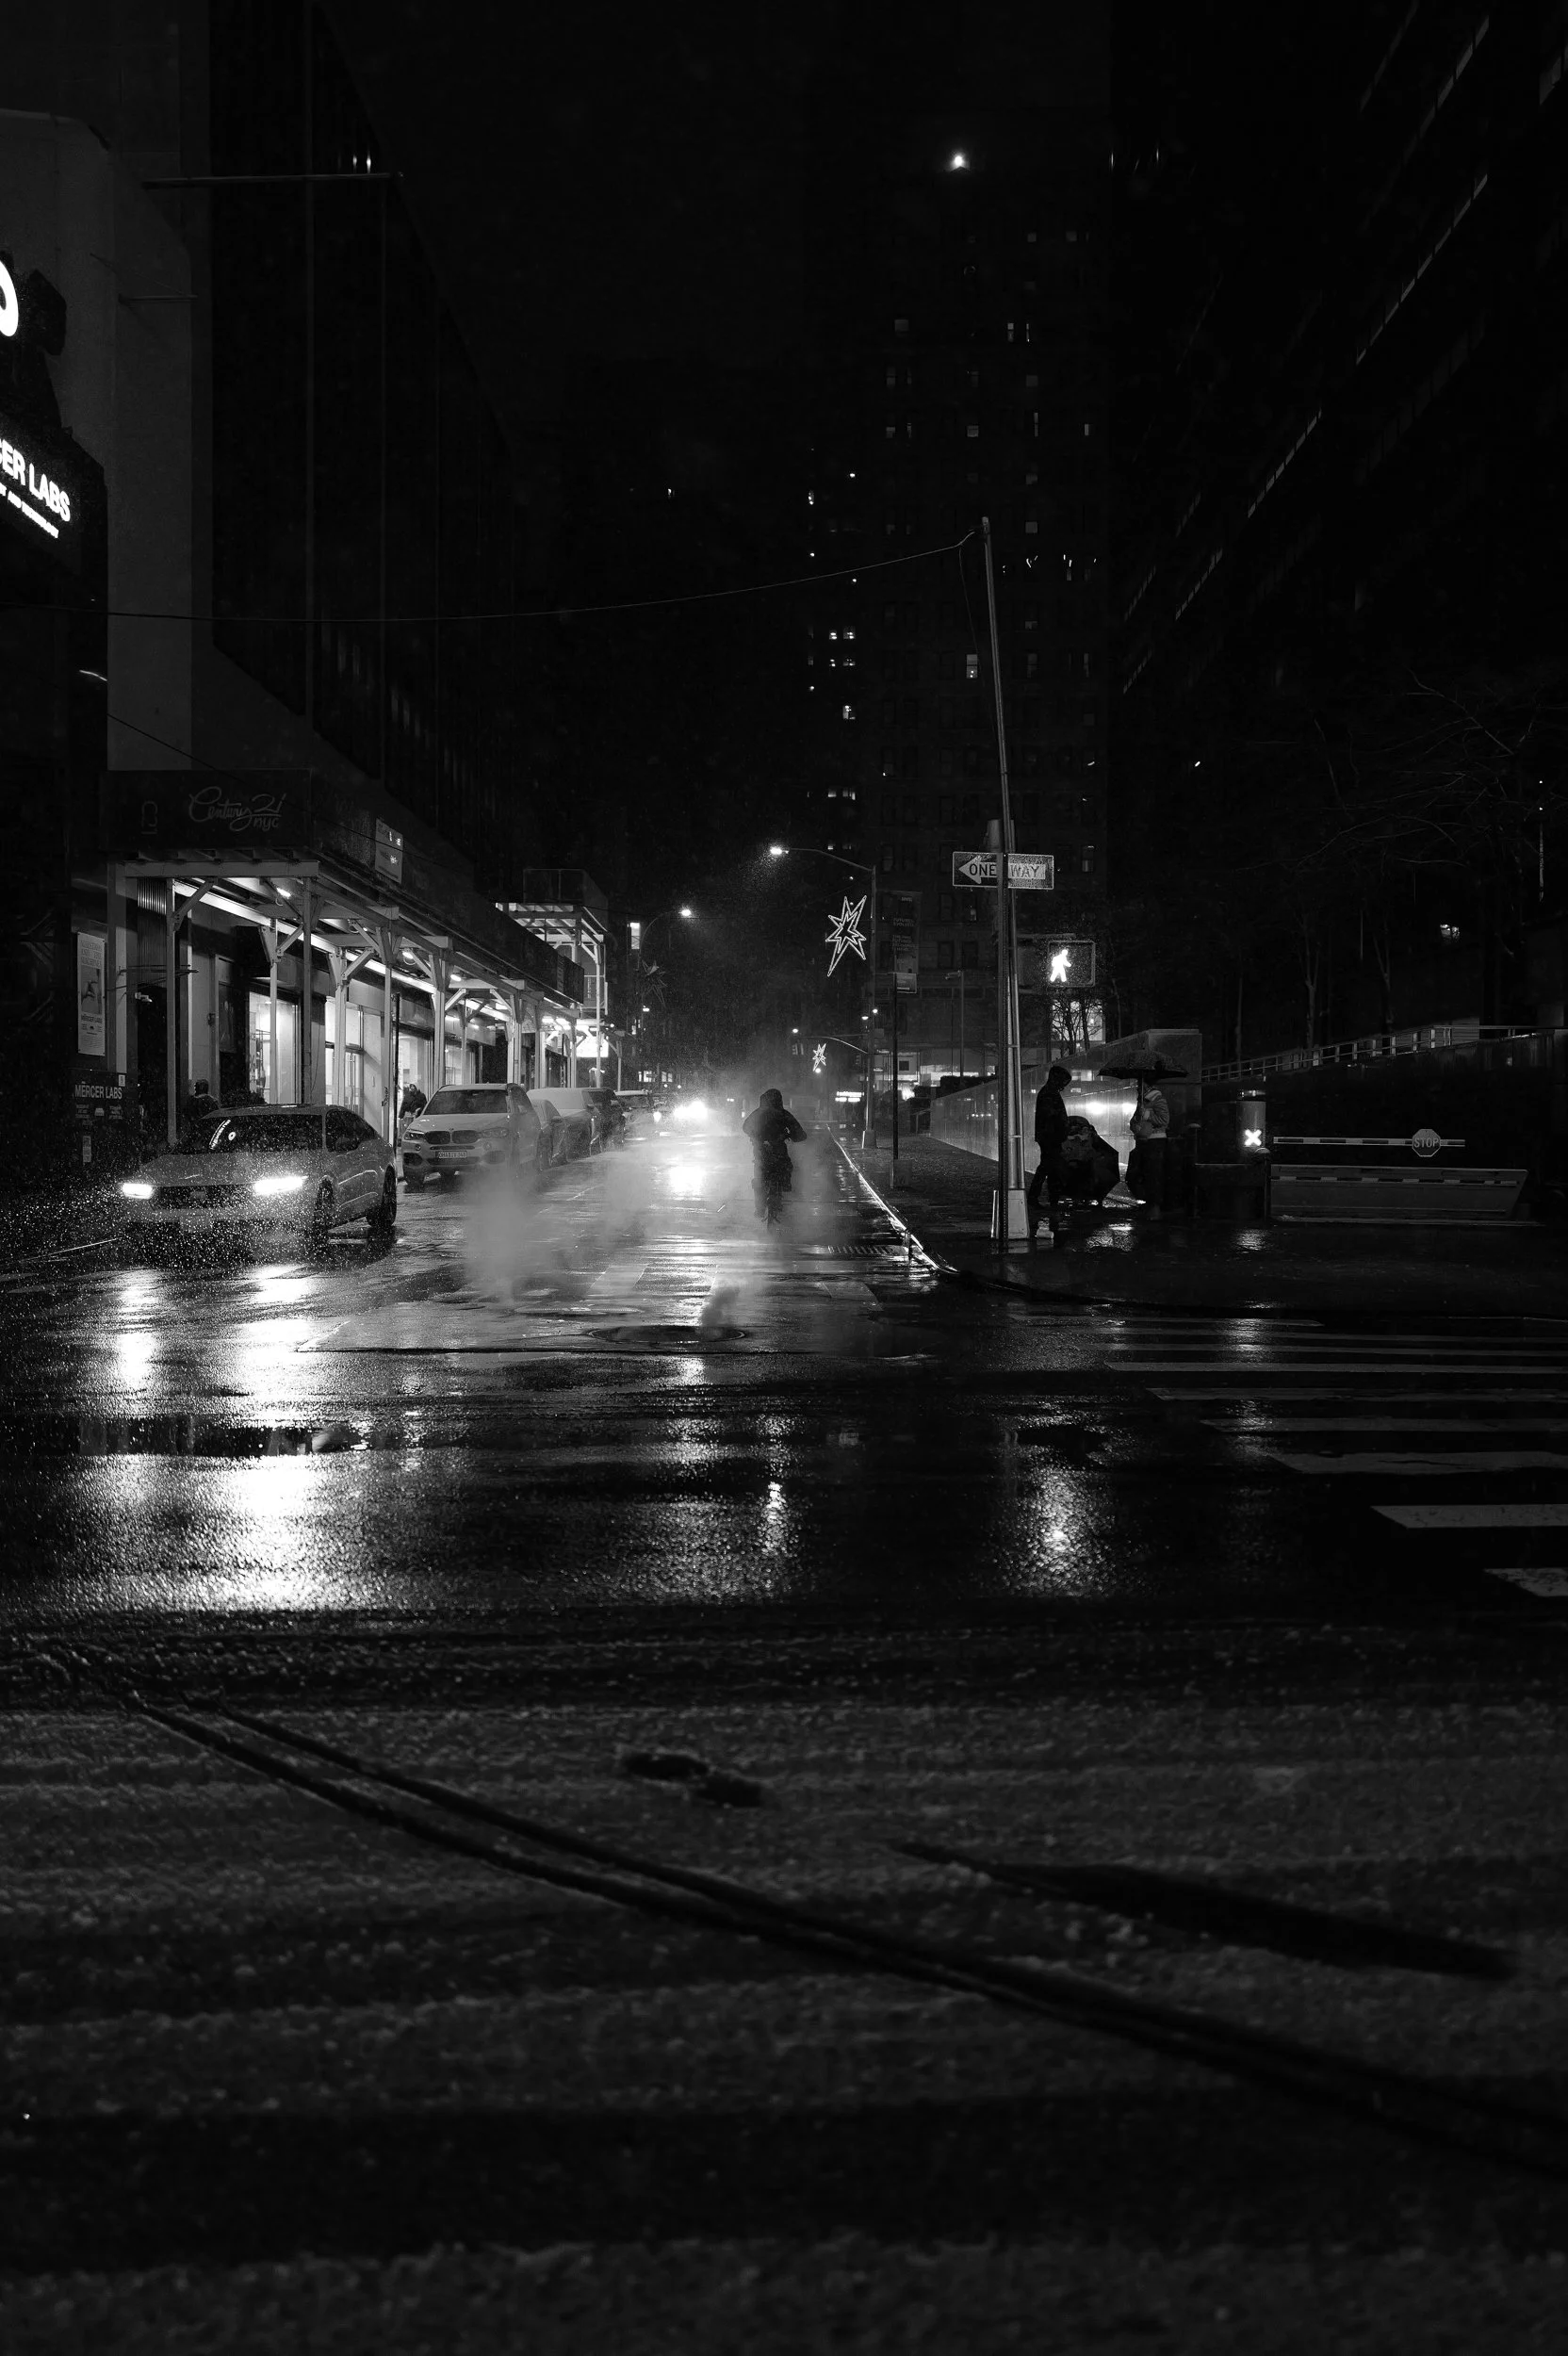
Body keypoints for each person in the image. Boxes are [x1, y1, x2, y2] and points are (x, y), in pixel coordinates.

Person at [743, 1087, 807, 1219]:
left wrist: (756, 1137)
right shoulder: (784, 1114)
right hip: (777, 1154)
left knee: (759, 1178)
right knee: (786, 1168)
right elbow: (800, 1134)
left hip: (762, 1154)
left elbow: (745, 1127)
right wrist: (790, 1135)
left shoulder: (758, 1113)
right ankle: (784, 1189)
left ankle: (759, 1208)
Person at [1025, 1064, 1072, 1238]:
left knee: (1048, 1167)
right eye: (1064, 1082)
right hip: (1051, 1138)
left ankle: (1048, 1198)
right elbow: (1052, 1116)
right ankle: (1043, 1197)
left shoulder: (1048, 1093)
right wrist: (1062, 1125)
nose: (1064, 1086)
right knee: (1049, 1167)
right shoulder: (1049, 1094)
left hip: (1049, 1137)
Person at [1130, 1078, 1170, 1218]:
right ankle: (1149, 1203)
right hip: (1143, 1141)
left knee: (1153, 1175)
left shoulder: (1158, 1099)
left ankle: (1154, 1208)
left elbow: (1164, 1120)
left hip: (1155, 1142)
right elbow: (1134, 1119)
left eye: (1139, 1085)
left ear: (1146, 1086)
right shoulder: (1142, 1101)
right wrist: (1134, 1124)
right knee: (1140, 1174)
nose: (1137, 1088)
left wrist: (1146, 1115)